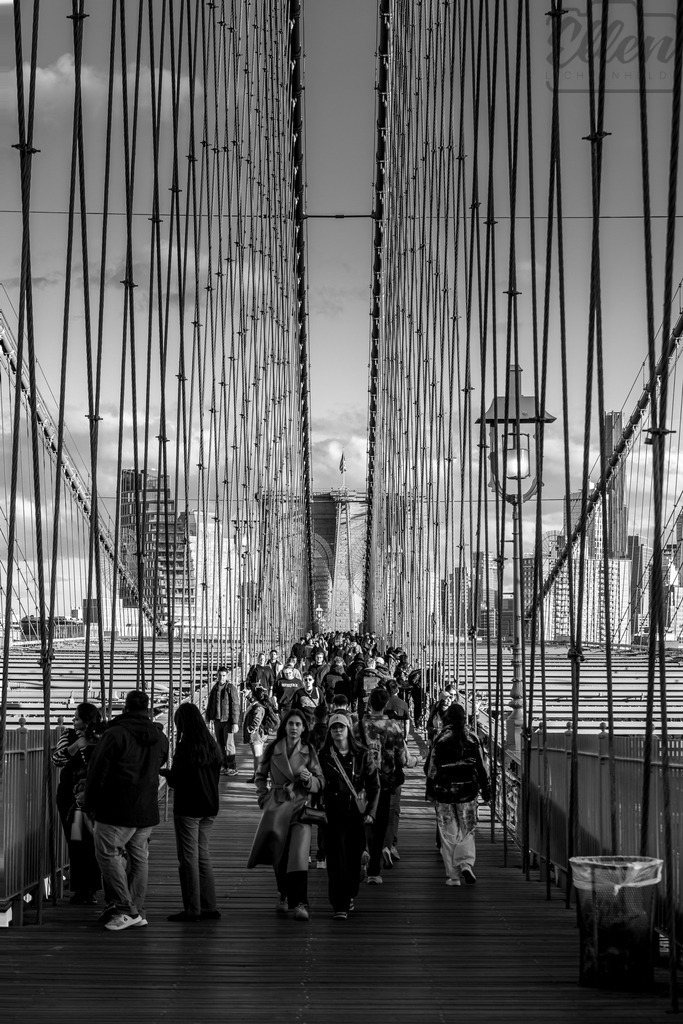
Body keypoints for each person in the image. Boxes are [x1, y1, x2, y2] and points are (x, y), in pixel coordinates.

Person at [83, 689, 169, 931]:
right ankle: (137, 910)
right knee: (139, 857)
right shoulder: (158, 735)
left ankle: (125, 908)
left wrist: (90, 805)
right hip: (146, 806)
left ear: (126, 708)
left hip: (117, 807)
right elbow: (161, 760)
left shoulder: (115, 734)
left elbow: (97, 771)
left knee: (107, 853)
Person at [248, 709, 324, 921]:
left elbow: (321, 781)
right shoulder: (274, 749)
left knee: (299, 856)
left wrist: (309, 781)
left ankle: (300, 902)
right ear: (285, 726)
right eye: (290, 724)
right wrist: (263, 797)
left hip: (300, 807)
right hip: (277, 805)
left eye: (298, 724)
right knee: (279, 857)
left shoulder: (309, 751)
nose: (294, 728)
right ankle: (283, 894)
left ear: (303, 728)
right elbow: (260, 775)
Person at [161, 703, 222, 922]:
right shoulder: (211, 744)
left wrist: (166, 773)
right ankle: (209, 906)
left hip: (189, 807)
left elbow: (177, 779)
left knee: (188, 858)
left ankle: (192, 908)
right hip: (210, 806)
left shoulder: (186, 746)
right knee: (203, 856)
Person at [318, 713, 380, 919]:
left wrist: (371, 812)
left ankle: (350, 892)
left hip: (355, 813)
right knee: (336, 859)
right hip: (332, 813)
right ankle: (340, 905)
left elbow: (374, 784)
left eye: (341, 727)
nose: (337, 730)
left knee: (353, 858)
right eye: (334, 727)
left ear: (348, 729)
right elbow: (318, 784)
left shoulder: (361, 754)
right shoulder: (324, 755)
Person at [424, 702, 491, 886]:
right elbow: (482, 767)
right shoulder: (473, 738)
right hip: (467, 792)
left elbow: (431, 769)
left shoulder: (440, 739)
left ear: (446, 718)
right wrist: (486, 789)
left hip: (444, 792)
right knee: (467, 829)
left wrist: (429, 790)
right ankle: (466, 863)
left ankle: (453, 876)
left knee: (448, 832)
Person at [52, 702, 104, 905]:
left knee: (92, 842)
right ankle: (83, 888)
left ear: (86, 720)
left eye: (76, 717)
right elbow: (56, 759)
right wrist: (75, 747)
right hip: (70, 798)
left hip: (94, 796)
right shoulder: (69, 736)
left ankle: (91, 886)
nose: (73, 721)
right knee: (76, 841)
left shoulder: (102, 736)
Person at [360, 687, 411, 884]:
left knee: (364, 817)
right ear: (385, 705)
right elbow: (401, 756)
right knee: (381, 821)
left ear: (370, 704)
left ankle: (364, 848)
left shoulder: (359, 726)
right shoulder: (392, 726)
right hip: (385, 780)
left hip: (365, 780)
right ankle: (374, 869)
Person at [205, 665, 240, 775]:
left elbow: (235, 705)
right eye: (220, 675)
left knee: (229, 744)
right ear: (217, 676)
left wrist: (235, 723)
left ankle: (232, 767)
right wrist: (208, 718)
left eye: (224, 676)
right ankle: (224, 766)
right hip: (217, 720)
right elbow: (210, 703)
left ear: (227, 676)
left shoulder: (231, 688)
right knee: (219, 744)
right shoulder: (215, 688)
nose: (221, 678)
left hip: (228, 721)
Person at [242, 686, 280, 782]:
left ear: (255, 696)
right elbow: (253, 702)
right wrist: (248, 696)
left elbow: (257, 719)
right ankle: (258, 775)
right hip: (260, 734)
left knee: (257, 756)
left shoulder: (258, 707)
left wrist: (251, 729)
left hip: (256, 735)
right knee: (258, 756)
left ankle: (258, 776)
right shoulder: (259, 704)